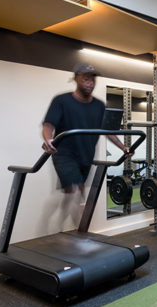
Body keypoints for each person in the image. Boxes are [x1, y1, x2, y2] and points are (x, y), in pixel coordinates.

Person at [41, 64, 132, 227]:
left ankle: (62, 228)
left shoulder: (99, 105)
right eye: (86, 79)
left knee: (76, 192)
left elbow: (106, 130)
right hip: (64, 154)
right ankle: (81, 236)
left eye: (92, 80)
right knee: (76, 191)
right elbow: (48, 125)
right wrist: (48, 140)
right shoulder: (62, 100)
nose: (90, 83)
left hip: (86, 155)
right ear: (76, 79)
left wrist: (123, 148)